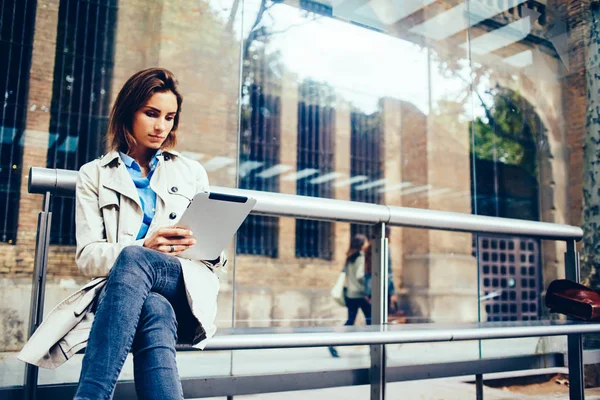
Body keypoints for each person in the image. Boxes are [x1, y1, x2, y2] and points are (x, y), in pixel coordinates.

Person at [55, 67, 223, 400]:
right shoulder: (94, 175)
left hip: (182, 281)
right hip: (125, 292)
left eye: (170, 117)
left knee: (137, 262)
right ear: (128, 112)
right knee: (154, 308)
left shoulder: (191, 172)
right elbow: (88, 258)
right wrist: (145, 244)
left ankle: (90, 396)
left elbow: (216, 256)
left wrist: (199, 246)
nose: (162, 126)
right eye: (151, 114)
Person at [328, 234, 371, 358]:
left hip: (350, 295)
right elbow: (359, 275)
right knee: (372, 321)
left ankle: (333, 343)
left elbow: (345, 273)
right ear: (362, 244)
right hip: (361, 295)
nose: (367, 244)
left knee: (350, 321)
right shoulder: (361, 258)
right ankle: (375, 348)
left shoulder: (349, 258)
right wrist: (368, 283)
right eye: (366, 242)